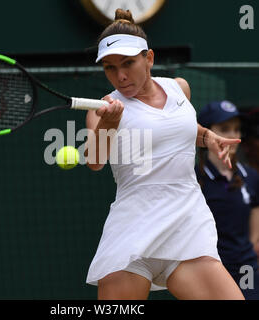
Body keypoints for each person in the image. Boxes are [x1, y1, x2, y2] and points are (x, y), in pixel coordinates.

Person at [85, 9, 244, 300]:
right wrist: (108, 123)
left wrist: (207, 137)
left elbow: (175, 127)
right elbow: (94, 161)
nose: (119, 76)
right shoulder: (102, 109)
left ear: (149, 58)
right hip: (133, 232)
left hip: (187, 226)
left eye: (128, 63)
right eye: (109, 67)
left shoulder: (179, 88)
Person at [195, 101, 259, 299]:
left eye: (237, 129)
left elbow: (255, 234)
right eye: (224, 129)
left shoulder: (251, 176)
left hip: (246, 269)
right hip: (208, 271)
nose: (233, 136)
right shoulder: (193, 180)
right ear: (207, 135)